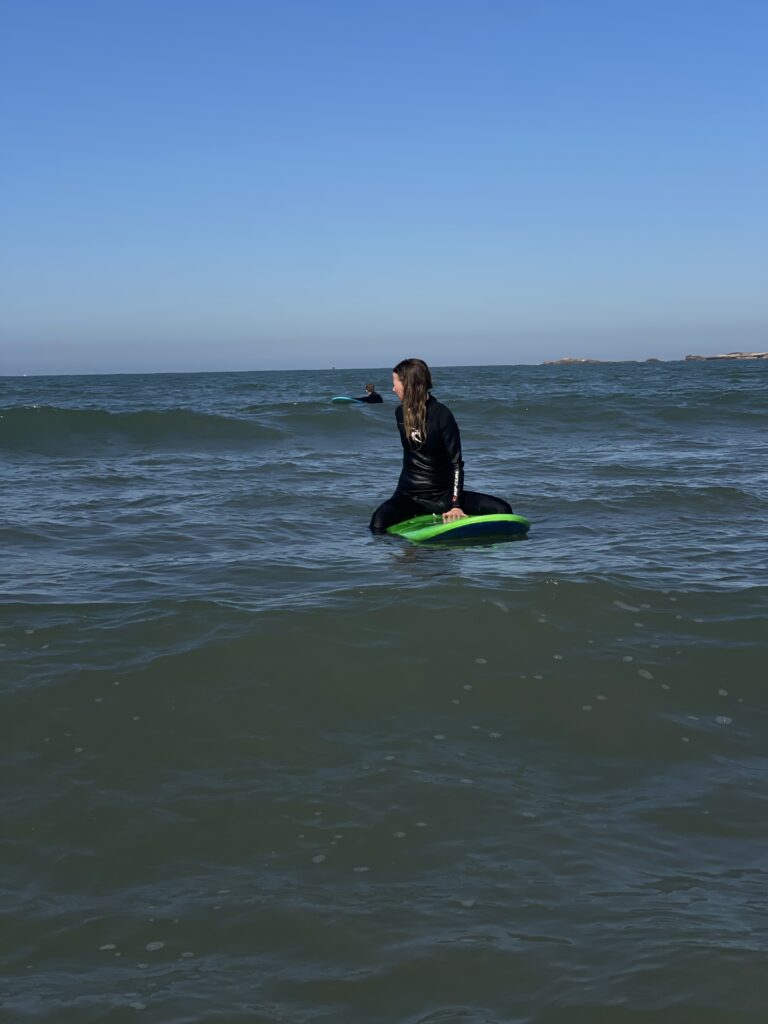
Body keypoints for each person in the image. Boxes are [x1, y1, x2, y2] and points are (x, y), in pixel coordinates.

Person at [370, 358, 512, 533]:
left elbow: (456, 463)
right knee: (378, 521)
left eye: (395, 383)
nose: (392, 389)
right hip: (409, 496)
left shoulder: (442, 415)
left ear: (408, 384)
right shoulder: (400, 413)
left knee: (503, 510)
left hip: (442, 496)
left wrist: (456, 505)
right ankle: (405, 552)